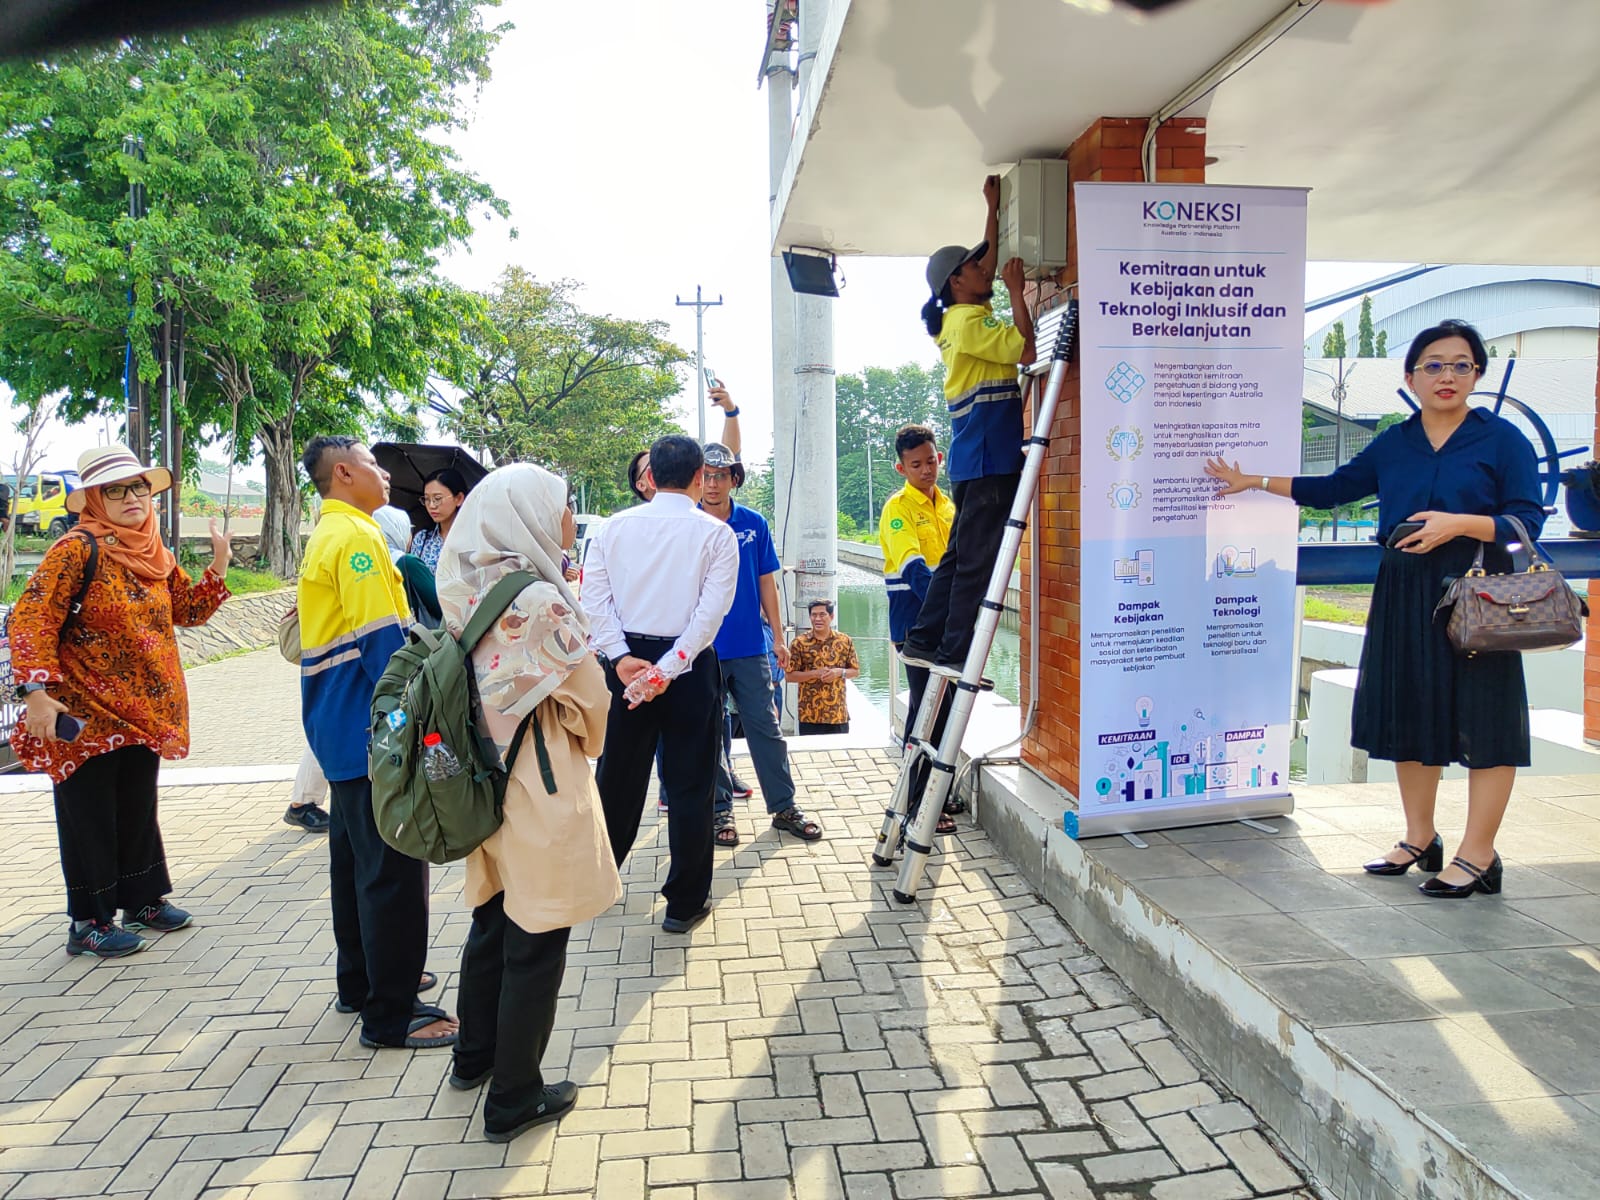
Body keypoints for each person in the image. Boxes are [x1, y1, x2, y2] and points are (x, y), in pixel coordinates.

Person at [1204, 319, 1543, 900]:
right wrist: (1251, 481)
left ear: (1477, 374)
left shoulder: (1501, 439)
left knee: (1486, 722)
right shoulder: (1395, 441)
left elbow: (1526, 525)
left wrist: (1457, 525)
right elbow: (1336, 488)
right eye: (1433, 365)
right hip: (1405, 591)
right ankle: (1419, 838)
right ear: (1411, 378)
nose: (1447, 376)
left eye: (1461, 365)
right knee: (1409, 712)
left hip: (1480, 594)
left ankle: (1479, 854)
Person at [437, 464, 621, 1142]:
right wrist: (581, 736)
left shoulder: (457, 583)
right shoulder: (539, 598)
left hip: (478, 780)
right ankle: (515, 1095)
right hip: (537, 788)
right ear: (530, 515)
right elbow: (592, 702)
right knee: (537, 940)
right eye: (564, 505)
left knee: (492, 919)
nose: (569, 519)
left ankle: (473, 1056)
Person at [8, 443, 230, 958]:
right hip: (84, 710)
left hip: (143, 709)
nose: (132, 497)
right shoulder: (76, 549)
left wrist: (217, 566)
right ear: (94, 498)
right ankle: (88, 921)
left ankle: (143, 900)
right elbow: (30, 619)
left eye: (138, 488)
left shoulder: (153, 550)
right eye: (116, 489)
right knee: (89, 813)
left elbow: (187, 610)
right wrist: (36, 694)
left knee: (136, 805)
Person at [298, 436, 456, 1048]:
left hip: (337, 725)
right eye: (372, 464)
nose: (385, 475)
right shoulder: (359, 540)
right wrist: (412, 722)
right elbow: (384, 647)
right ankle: (392, 1011)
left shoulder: (329, 533)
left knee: (354, 859)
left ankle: (361, 981)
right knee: (393, 865)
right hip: (370, 726)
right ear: (344, 473)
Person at [583, 435, 738, 932]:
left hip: (626, 665)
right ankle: (684, 902)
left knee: (617, 778)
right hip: (687, 669)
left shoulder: (610, 529)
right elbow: (709, 616)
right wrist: (667, 670)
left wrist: (624, 659)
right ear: (699, 478)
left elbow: (594, 603)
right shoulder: (716, 534)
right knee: (692, 783)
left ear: (649, 478)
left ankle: (595, 886)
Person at [901, 174, 1035, 676]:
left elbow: (985, 265)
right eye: (975, 268)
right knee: (976, 564)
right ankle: (954, 650)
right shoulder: (969, 324)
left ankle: (922, 639)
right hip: (990, 461)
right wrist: (1019, 294)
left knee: (958, 560)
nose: (990, 272)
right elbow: (1027, 348)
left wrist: (994, 210)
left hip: (974, 461)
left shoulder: (958, 319)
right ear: (957, 281)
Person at [283, 504, 440, 836]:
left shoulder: (324, 538)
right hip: (372, 706)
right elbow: (384, 643)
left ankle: (303, 800)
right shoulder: (367, 545)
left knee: (350, 834)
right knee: (384, 846)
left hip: (333, 704)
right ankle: (303, 800)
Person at [697, 441, 824, 848]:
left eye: (721, 476)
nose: (712, 484)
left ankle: (784, 806)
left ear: (734, 479)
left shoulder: (754, 523)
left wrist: (780, 637)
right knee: (709, 732)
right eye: (706, 475)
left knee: (765, 729)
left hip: (751, 646)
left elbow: (767, 581)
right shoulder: (688, 524)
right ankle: (719, 812)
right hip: (702, 650)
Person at [880, 427, 963, 836]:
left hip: (948, 624)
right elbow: (914, 568)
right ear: (901, 468)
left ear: (940, 457)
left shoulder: (949, 507)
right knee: (924, 711)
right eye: (916, 464)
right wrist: (950, 608)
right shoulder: (897, 508)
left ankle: (938, 793)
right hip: (917, 626)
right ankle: (916, 802)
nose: (926, 469)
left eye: (930, 461)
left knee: (945, 710)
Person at [787, 600, 859, 734]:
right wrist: (814, 674)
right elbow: (789, 676)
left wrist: (839, 672)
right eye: (814, 615)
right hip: (810, 715)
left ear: (831, 617)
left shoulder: (844, 641)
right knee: (810, 754)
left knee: (839, 753)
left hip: (837, 714)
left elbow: (855, 671)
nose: (817, 619)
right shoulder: (799, 643)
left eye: (822, 614)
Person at [411, 467, 470, 573]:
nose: (431, 505)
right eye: (427, 499)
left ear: (459, 498)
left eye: (437, 499)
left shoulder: (474, 538)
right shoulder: (422, 539)